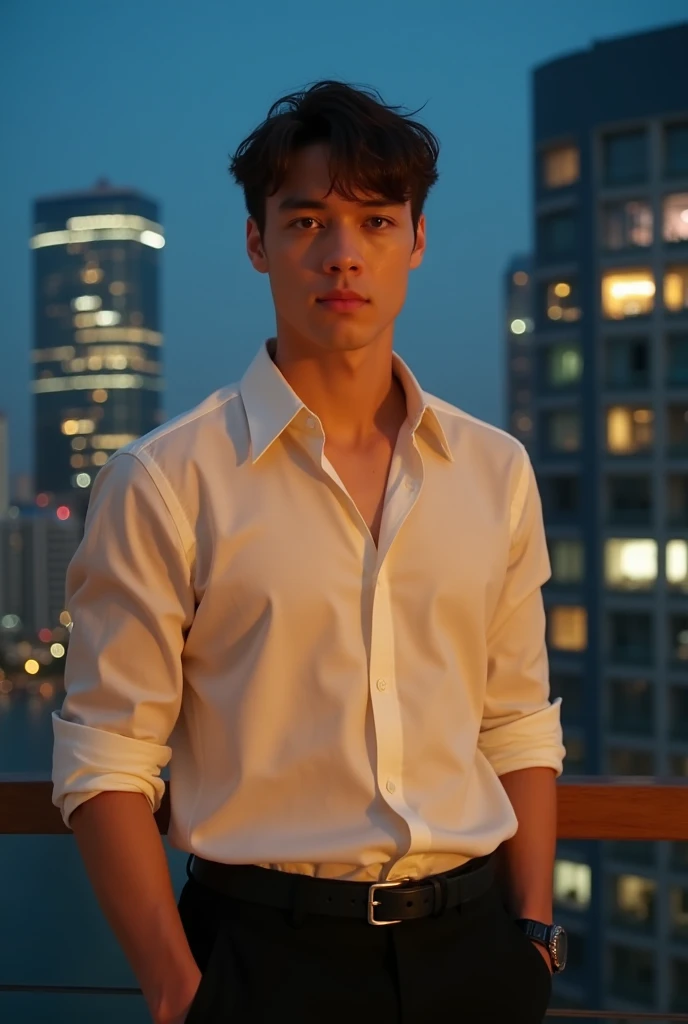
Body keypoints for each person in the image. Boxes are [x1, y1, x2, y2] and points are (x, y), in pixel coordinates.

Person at [52, 80, 567, 1024]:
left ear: (416, 240)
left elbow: (518, 722)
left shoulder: (495, 470)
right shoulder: (168, 479)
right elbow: (105, 759)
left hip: (476, 952)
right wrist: (178, 991)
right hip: (260, 959)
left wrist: (532, 937)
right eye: (305, 222)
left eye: (375, 221)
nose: (342, 255)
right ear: (257, 243)